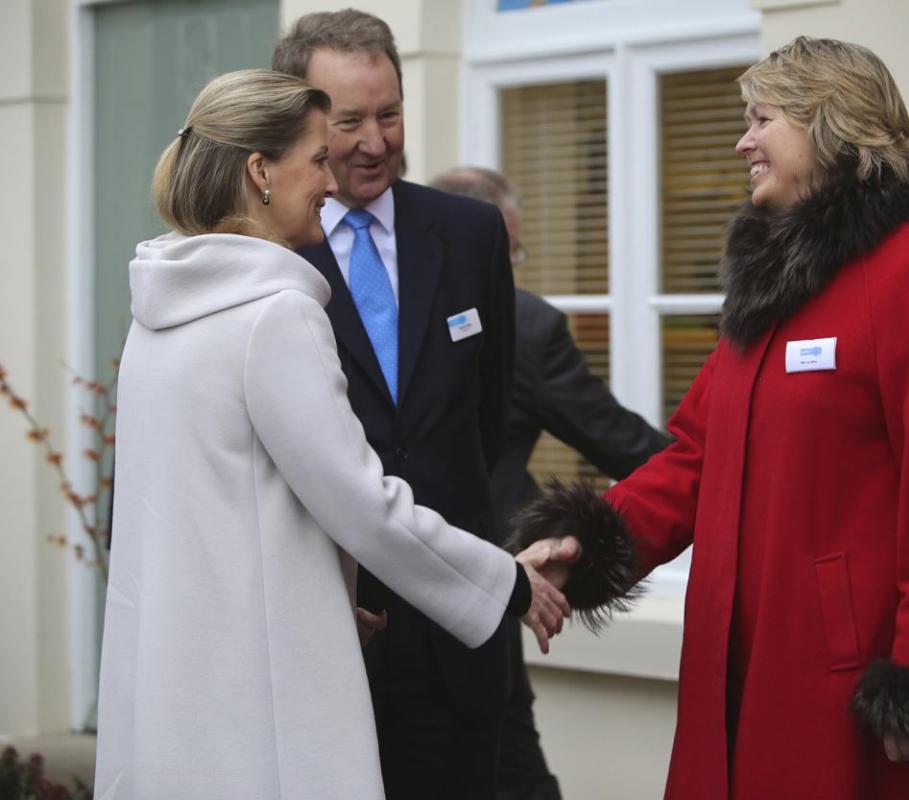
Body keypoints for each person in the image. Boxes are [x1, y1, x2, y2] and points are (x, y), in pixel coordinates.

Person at [510, 36, 909, 799]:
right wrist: (592, 540)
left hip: (844, 681)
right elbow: (696, 456)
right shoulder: (776, 282)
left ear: (827, 123)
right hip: (735, 658)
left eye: (761, 118)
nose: (743, 140)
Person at [93, 69, 573, 800]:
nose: (332, 178)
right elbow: (363, 502)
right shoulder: (274, 313)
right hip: (261, 716)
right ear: (260, 171)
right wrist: (506, 582)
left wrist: (308, 590)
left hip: (180, 695)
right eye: (318, 158)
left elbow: (195, 514)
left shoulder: (160, 308)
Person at [272, 11, 519, 798]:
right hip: (330, 632)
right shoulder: (271, 256)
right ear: (302, 120)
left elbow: (487, 422)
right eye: (347, 122)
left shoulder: (471, 233)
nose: (375, 142)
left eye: (389, 113)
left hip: (458, 644)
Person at [432, 166, 672, 800]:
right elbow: (621, 442)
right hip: (481, 592)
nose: (511, 266)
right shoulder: (524, 326)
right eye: (509, 250)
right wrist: (721, 465)